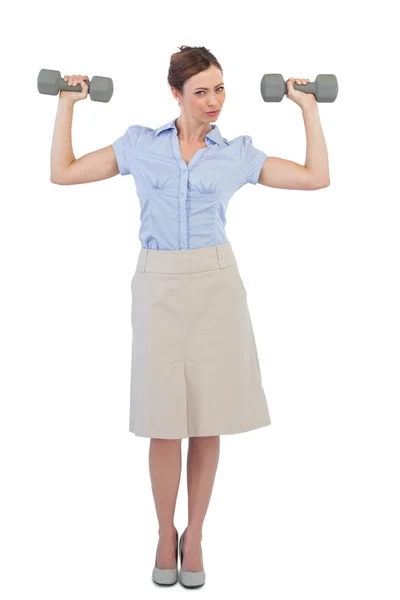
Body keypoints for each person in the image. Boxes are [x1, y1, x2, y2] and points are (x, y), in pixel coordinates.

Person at [50, 45, 330, 588]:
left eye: (220, 89)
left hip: (216, 287)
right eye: (200, 91)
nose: (213, 102)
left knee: (206, 423)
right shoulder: (138, 145)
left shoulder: (237, 154)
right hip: (156, 287)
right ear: (175, 95)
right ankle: (163, 532)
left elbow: (316, 177)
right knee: (163, 424)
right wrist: (67, 105)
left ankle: (195, 534)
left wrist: (308, 109)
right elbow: (62, 173)